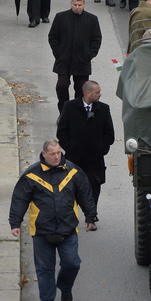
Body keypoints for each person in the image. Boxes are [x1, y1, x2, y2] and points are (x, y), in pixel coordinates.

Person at [9, 139, 96, 301]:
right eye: (53, 154)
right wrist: (15, 223)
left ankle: (65, 287)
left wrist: (90, 216)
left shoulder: (73, 171)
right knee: (44, 269)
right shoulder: (31, 175)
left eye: (58, 153)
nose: (57, 157)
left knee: (72, 263)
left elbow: (85, 193)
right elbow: (19, 199)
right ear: (44, 154)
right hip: (42, 231)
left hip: (68, 229)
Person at [57, 80, 114, 209]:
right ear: (87, 93)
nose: (100, 94)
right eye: (97, 92)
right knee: (71, 187)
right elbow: (62, 131)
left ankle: (91, 215)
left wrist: (101, 149)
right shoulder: (70, 107)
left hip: (95, 159)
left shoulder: (103, 109)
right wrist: (70, 147)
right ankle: (70, 215)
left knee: (94, 187)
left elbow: (109, 134)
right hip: (74, 157)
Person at [48, 0, 102, 112]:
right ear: (71, 3)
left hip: (82, 61)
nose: (77, 7)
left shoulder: (92, 19)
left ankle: (78, 113)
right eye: (75, 5)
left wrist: (89, 54)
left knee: (81, 89)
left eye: (80, 5)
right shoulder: (61, 17)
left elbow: (97, 39)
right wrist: (58, 53)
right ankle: (63, 112)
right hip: (64, 59)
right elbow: (53, 36)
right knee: (61, 86)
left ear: (84, 4)